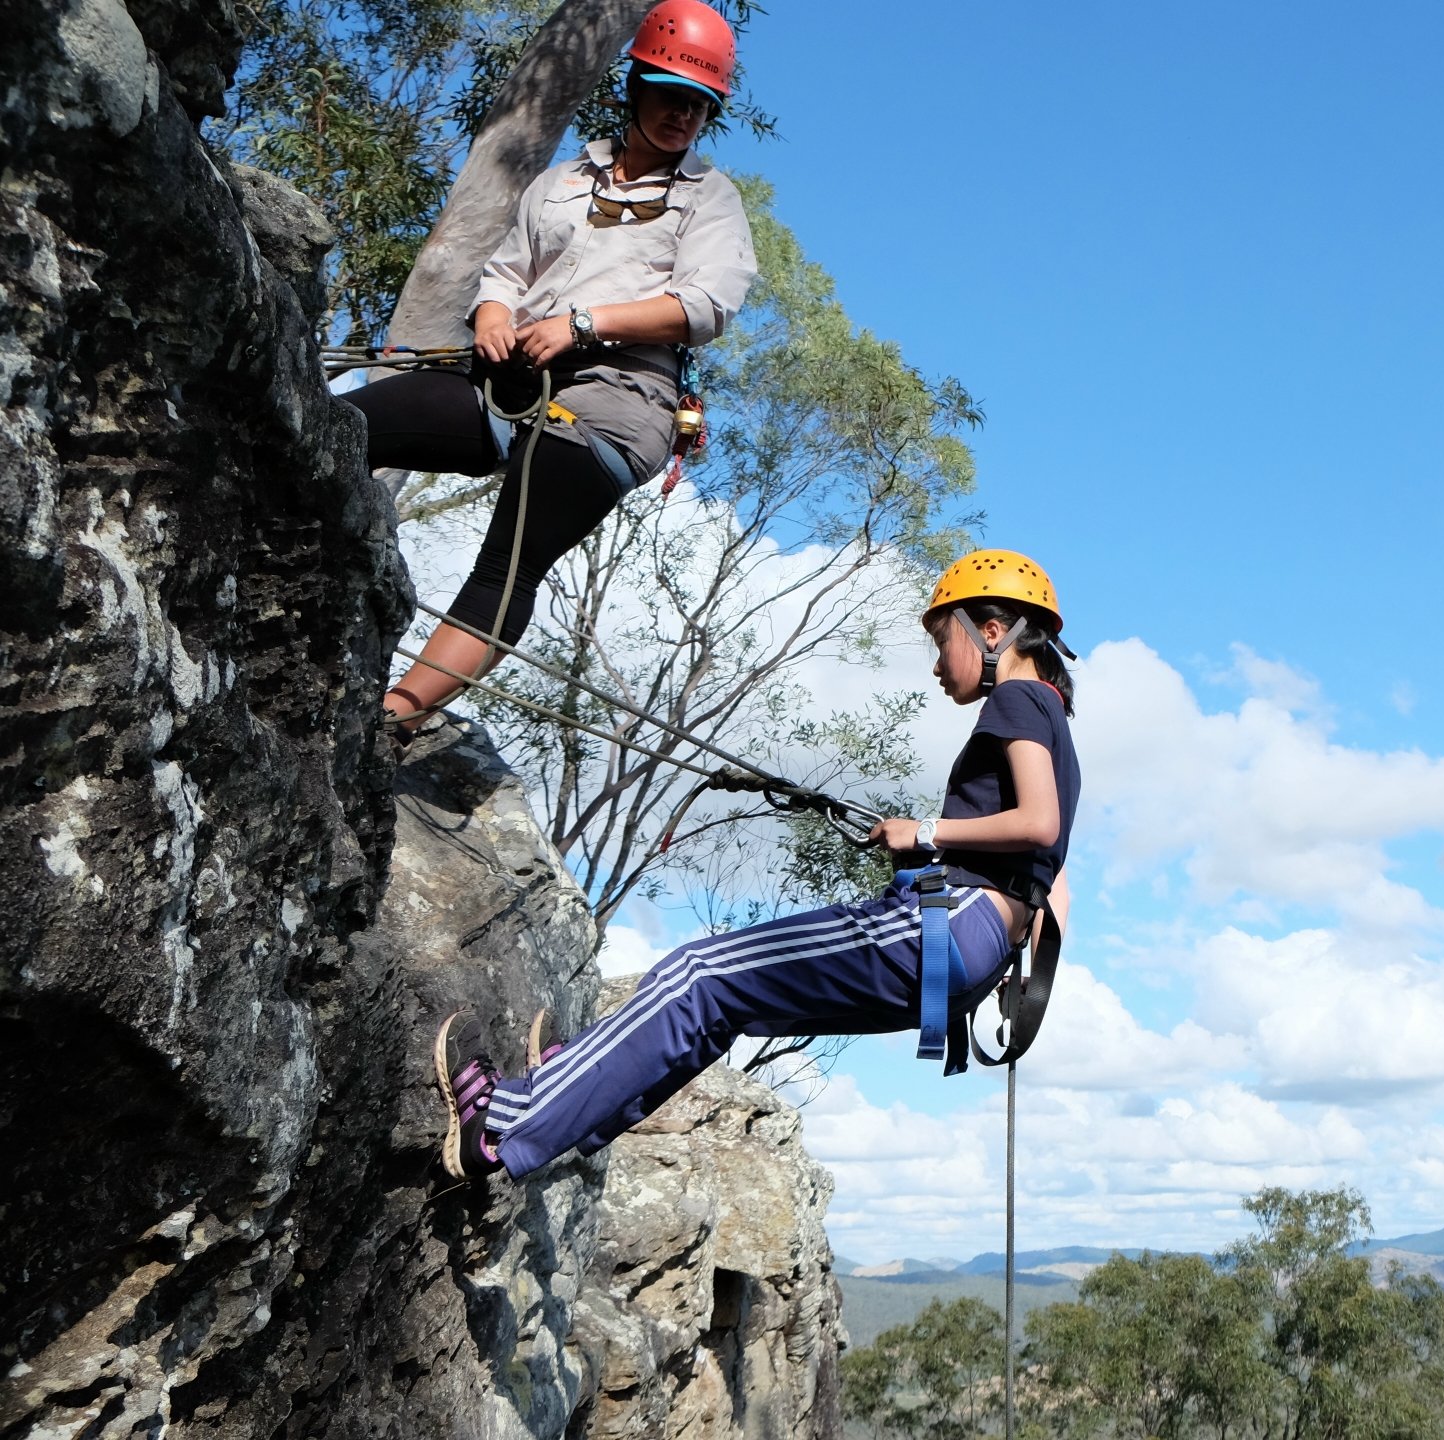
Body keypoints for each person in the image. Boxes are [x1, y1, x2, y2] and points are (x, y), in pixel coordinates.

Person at [433, 549, 1082, 1181]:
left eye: (945, 643)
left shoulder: (1016, 699)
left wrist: (927, 831)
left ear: (992, 631)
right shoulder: (1056, 720)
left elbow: (1037, 822)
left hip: (945, 925)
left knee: (698, 974)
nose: (939, 666)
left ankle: (502, 1121)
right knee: (725, 1004)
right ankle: (565, 1097)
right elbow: (1052, 875)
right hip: (974, 952)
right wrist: (1005, 956)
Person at [354, 0, 758, 736]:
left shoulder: (711, 201)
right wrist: (494, 317)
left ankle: (392, 720)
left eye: (699, 105)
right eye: (671, 96)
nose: (683, 116)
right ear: (635, 88)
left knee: (510, 558)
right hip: (507, 378)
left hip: (618, 399)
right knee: (348, 424)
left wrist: (581, 324)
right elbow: (506, 272)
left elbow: (705, 304)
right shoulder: (563, 182)